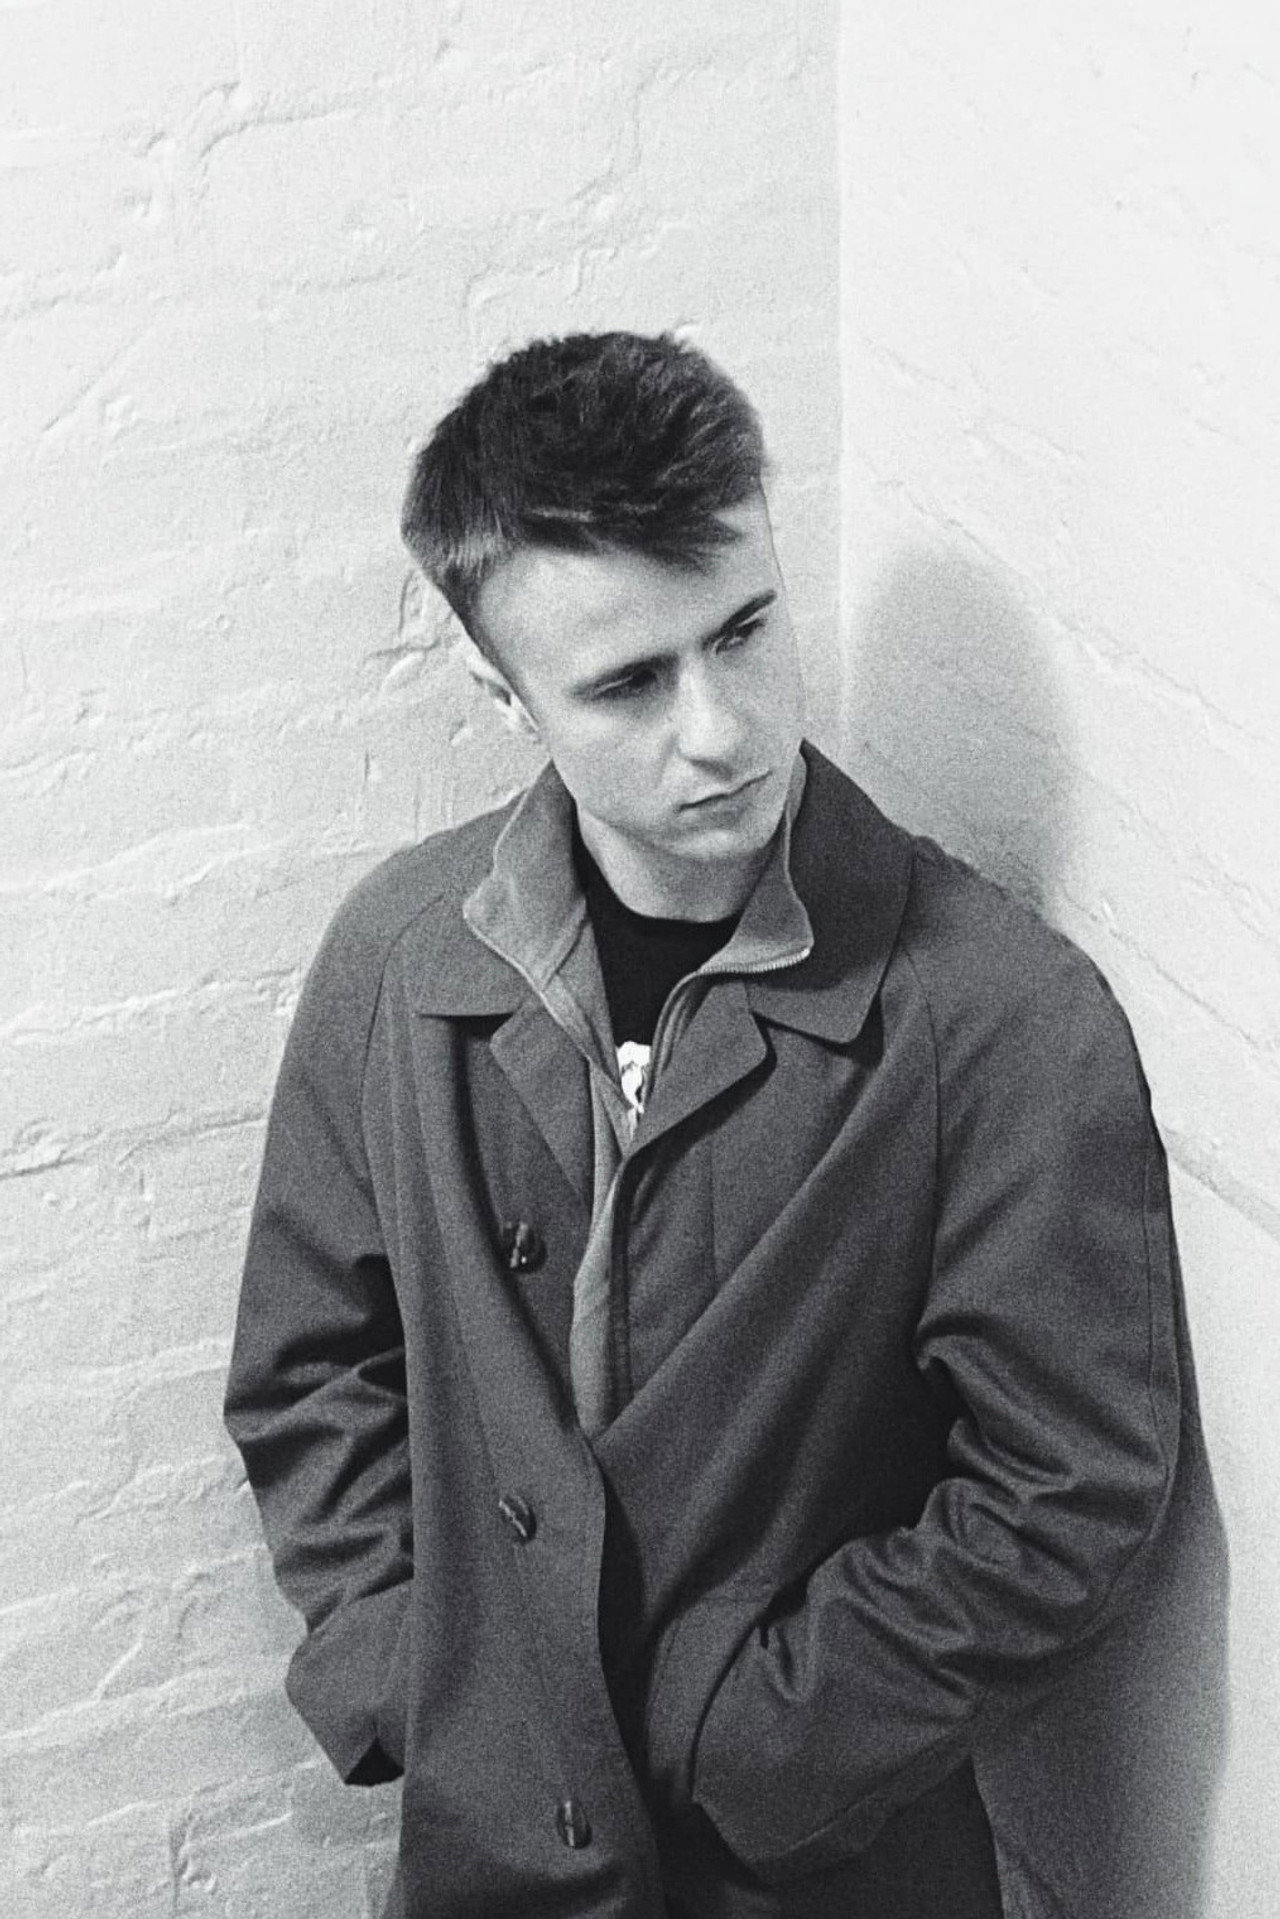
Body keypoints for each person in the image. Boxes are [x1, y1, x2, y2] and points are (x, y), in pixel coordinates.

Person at [224, 331, 1192, 1919]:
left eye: (743, 631)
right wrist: (409, 1669)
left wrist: (760, 1738)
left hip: (820, 1873)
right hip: (485, 1864)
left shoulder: (996, 1014)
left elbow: (1066, 1483)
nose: (723, 729)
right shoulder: (400, 958)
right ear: (502, 689)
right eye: (627, 683)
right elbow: (310, 1364)